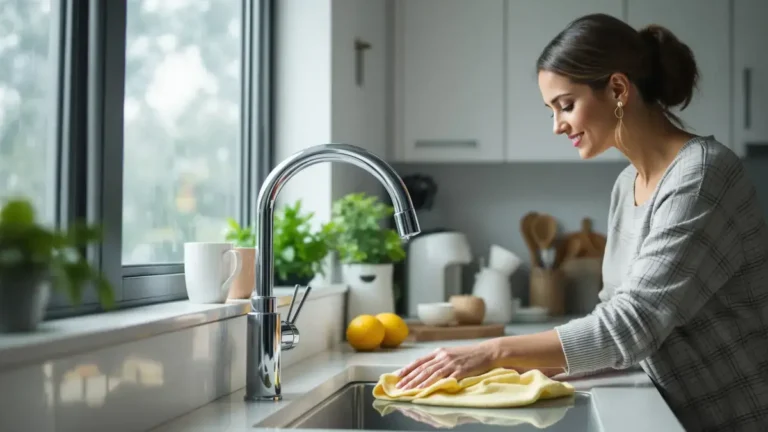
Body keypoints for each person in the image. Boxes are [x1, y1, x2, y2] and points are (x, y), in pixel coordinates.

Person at [394, 13, 768, 432]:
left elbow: (634, 323)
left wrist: (493, 352)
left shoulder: (702, 175)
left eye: (566, 105)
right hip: (666, 412)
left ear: (618, 89)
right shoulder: (627, 184)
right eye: (551, 110)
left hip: (730, 418)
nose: (557, 126)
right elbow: (612, 313)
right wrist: (521, 369)